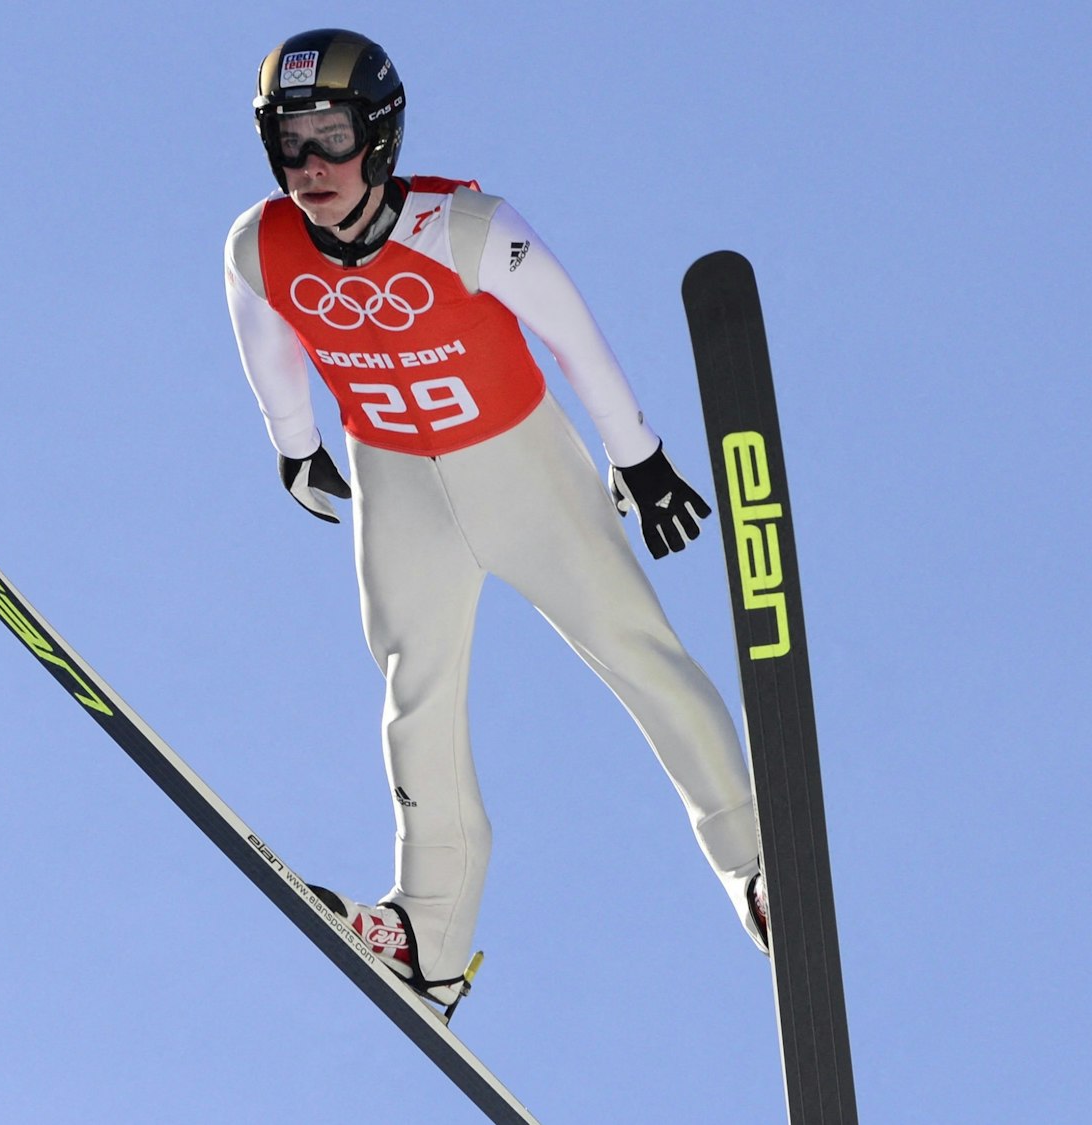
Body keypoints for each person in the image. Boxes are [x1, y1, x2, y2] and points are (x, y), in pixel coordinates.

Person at [223, 28, 768, 1011]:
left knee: (635, 653)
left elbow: (571, 333)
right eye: (288, 142)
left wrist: (636, 459)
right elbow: (261, 329)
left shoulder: (467, 227)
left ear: (379, 135)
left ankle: (757, 867)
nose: (311, 168)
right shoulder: (258, 244)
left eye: (332, 137)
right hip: (396, 481)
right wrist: (294, 440)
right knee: (414, 691)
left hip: (520, 469)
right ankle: (425, 940)